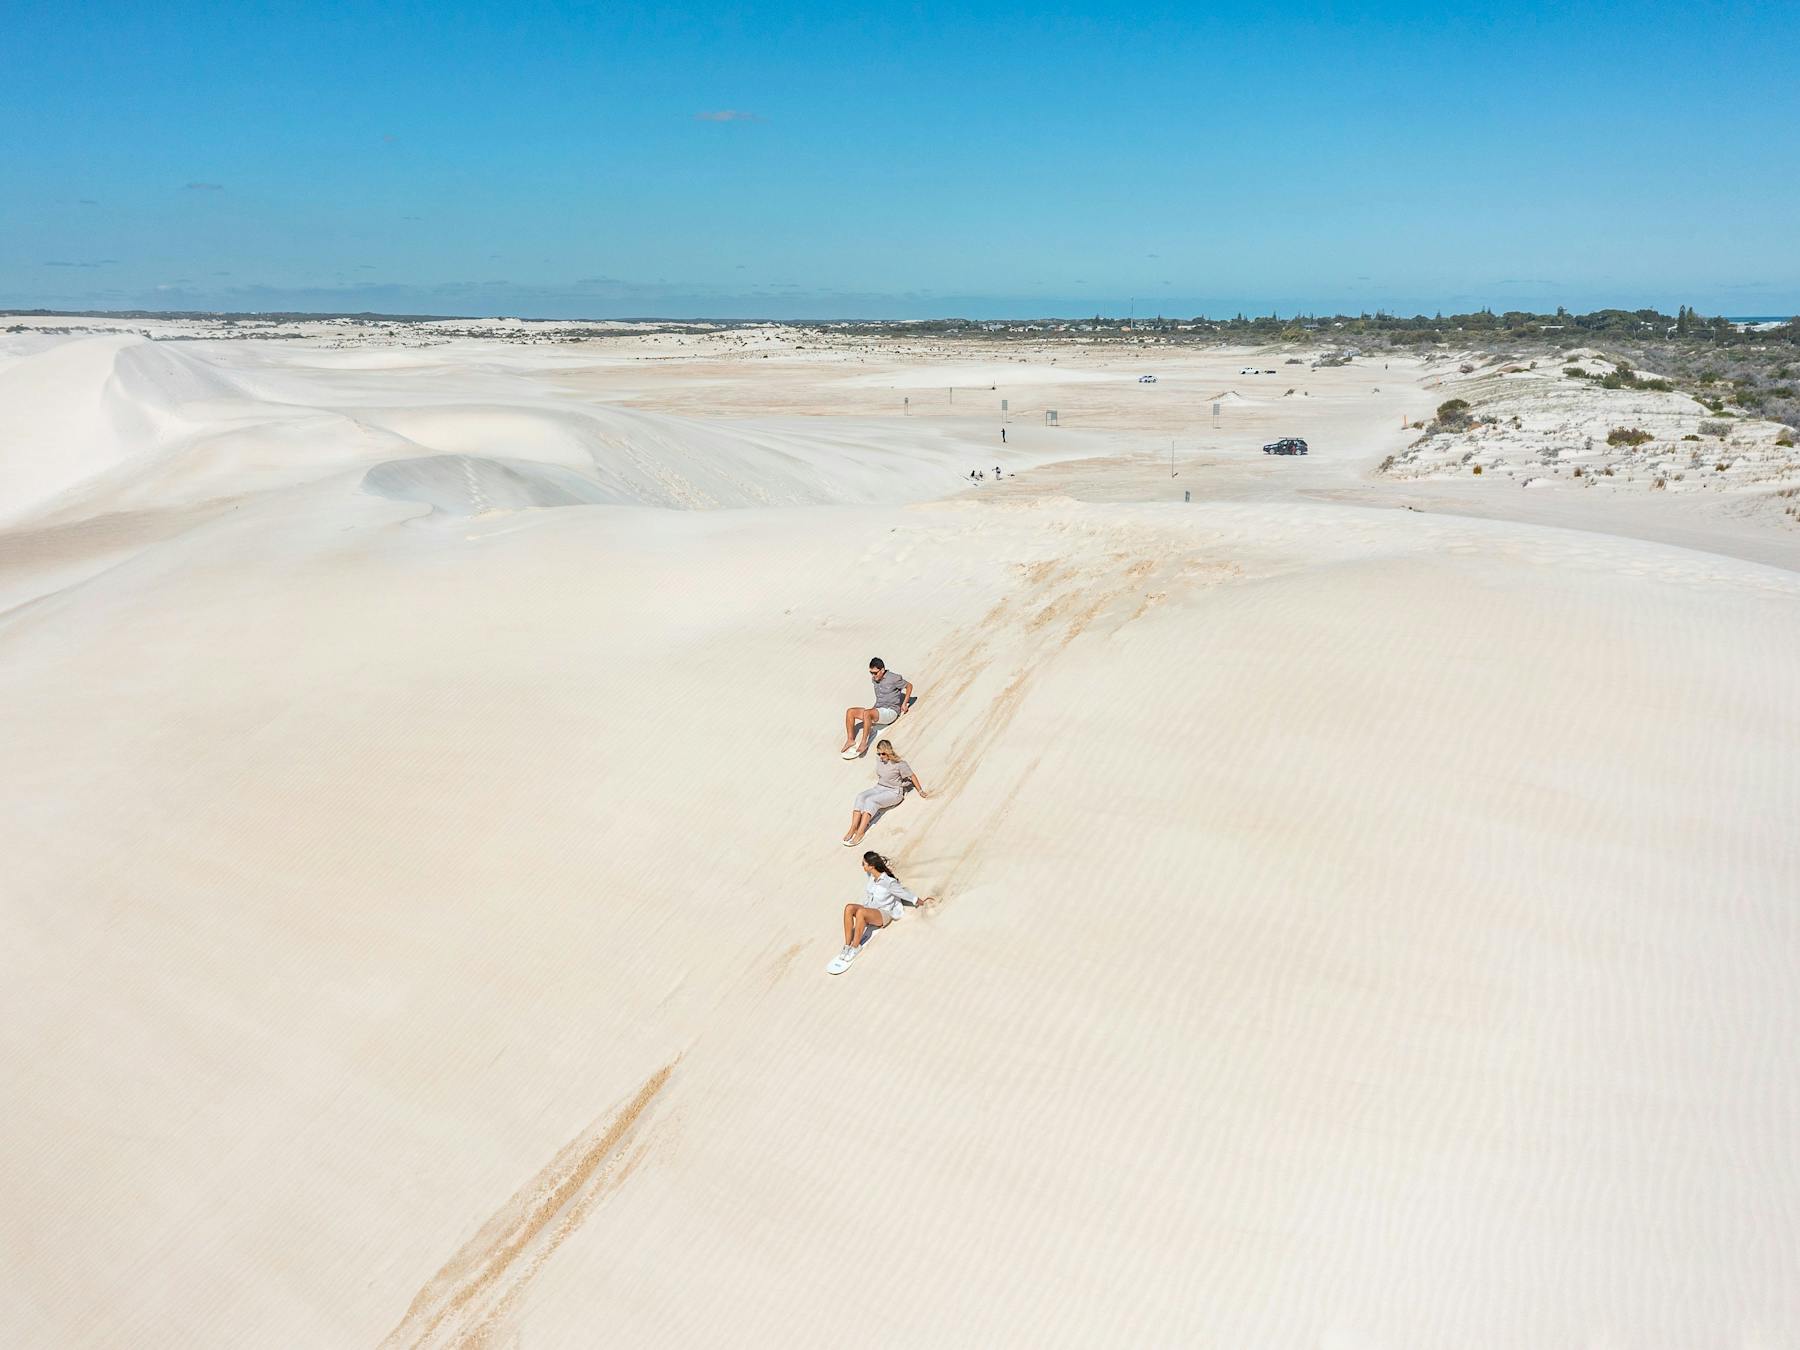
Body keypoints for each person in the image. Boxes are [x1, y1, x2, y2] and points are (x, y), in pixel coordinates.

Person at [827, 851, 934, 973]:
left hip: (884, 913)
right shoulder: (872, 876)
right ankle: (847, 946)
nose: (862, 865)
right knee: (849, 908)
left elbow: (903, 893)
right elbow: (879, 868)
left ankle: (855, 947)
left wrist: (919, 901)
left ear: (871, 866)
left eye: (864, 863)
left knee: (861, 912)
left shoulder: (889, 882)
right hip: (870, 908)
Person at [842, 739, 928, 845]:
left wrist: (920, 791)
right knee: (860, 797)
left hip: (894, 792)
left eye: (883, 753)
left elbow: (912, 775)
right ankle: (853, 828)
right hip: (879, 787)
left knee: (871, 801)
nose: (881, 756)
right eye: (879, 754)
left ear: (889, 751)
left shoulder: (900, 764)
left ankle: (860, 832)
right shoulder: (879, 760)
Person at [841, 657, 912, 758]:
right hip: (878, 710)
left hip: (890, 712)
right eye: (871, 673)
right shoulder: (875, 679)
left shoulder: (894, 678)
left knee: (867, 713)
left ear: (882, 670)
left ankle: (864, 743)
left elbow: (909, 686)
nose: (873, 676)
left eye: (875, 673)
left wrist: (904, 703)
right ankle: (850, 740)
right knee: (850, 712)